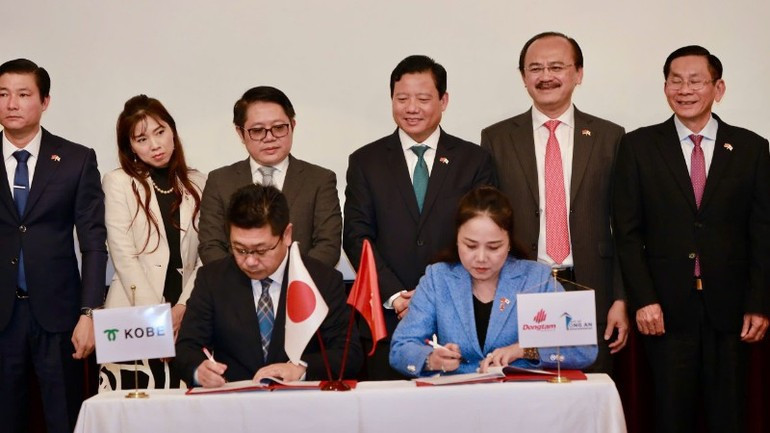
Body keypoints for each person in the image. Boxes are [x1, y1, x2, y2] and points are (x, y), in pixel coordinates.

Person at [613, 45, 770, 433]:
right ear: (665, 87)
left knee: (728, 415)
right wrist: (644, 299)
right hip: (665, 311)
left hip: (731, 310)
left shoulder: (751, 147)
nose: (684, 89)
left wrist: (759, 301)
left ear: (718, 88)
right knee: (670, 415)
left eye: (696, 81)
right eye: (675, 80)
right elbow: (628, 232)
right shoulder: (638, 147)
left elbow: (763, 231)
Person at [480, 32, 628, 374]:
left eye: (557, 66)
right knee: (526, 392)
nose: (546, 76)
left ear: (578, 73)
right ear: (523, 78)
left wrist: (621, 298)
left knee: (588, 390)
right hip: (523, 286)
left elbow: (624, 226)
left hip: (592, 287)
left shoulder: (610, 137)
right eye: (536, 68)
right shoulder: (497, 138)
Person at [344, 55, 497, 379]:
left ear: (443, 100)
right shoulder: (365, 162)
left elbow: (482, 234)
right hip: (386, 322)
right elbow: (357, 237)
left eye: (423, 98)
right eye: (402, 99)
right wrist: (399, 297)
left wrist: (432, 298)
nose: (411, 107)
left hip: (457, 315)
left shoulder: (474, 160)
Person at [0, 58, 107, 433]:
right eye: (3, 94)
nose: (11, 104)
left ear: (44, 101)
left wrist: (89, 312)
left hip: (59, 316)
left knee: (64, 417)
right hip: (2, 317)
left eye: (23, 94)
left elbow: (94, 242)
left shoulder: (76, 159)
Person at [390, 186, 597, 376]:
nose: (481, 258)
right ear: (457, 239)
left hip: (522, 401)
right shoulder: (438, 278)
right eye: (470, 246)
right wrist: (430, 360)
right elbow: (401, 348)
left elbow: (584, 349)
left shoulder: (537, 279)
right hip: (456, 401)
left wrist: (525, 350)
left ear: (508, 243)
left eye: (493, 247)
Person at [175, 184, 361, 387]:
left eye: (261, 250)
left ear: (287, 235)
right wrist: (198, 370)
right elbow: (187, 348)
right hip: (234, 407)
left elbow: (348, 353)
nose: (250, 261)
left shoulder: (322, 280)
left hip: (302, 407)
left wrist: (301, 369)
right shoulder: (213, 279)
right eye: (240, 249)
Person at [100, 95, 206, 389]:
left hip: (187, 313)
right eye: (142, 138)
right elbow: (123, 254)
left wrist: (183, 308)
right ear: (129, 146)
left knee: (186, 410)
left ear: (172, 131)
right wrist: (157, 322)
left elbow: (206, 256)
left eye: (160, 132)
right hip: (134, 318)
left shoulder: (199, 182)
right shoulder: (118, 181)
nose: (155, 145)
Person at [198, 86, 341, 268]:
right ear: (240, 133)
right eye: (257, 130)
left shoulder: (320, 179)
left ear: (293, 126)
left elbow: (328, 246)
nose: (270, 137)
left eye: (279, 128)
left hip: (300, 289)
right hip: (237, 291)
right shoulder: (220, 181)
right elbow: (211, 246)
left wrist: (293, 281)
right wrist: (247, 282)